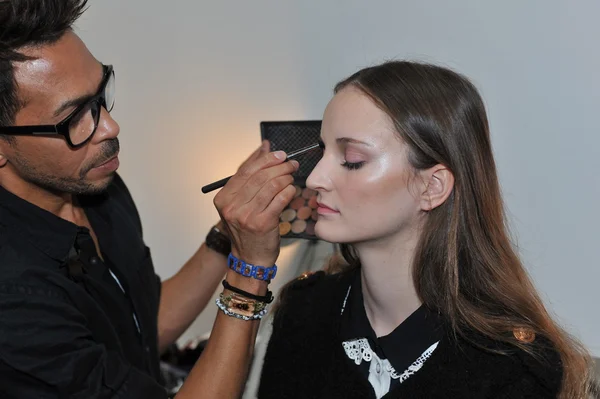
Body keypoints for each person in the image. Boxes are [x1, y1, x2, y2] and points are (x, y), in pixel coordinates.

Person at [0, 1, 298, 397]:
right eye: (74, 118)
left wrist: (229, 230)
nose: (109, 126)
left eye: (101, 94)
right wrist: (249, 270)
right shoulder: (15, 304)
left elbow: (142, 328)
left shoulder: (91, 182)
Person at [249, 61, 594, 398]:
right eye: (322, 152)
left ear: (432, 187)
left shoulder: (514, 370)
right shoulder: (304, 309)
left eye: (352, 159)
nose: (314, 179)